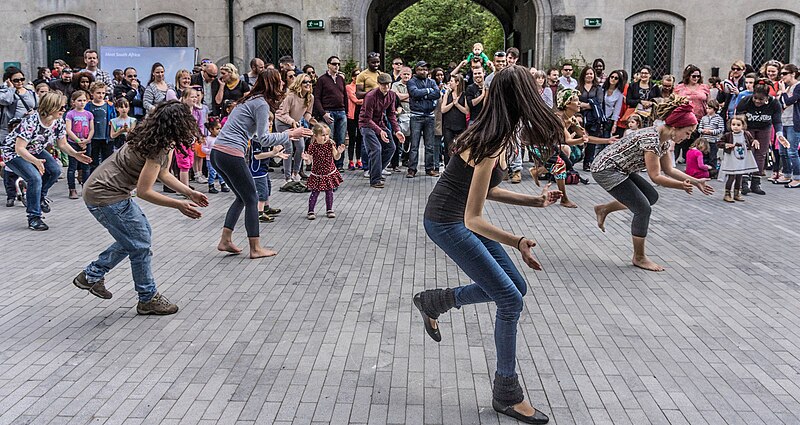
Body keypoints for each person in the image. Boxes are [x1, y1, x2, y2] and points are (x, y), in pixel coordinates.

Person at [413, 65, 563, 425]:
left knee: (517, 287)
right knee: (510, 298)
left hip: (459, 217)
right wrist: (518, 241)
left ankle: (438, 300)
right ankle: (506, 394)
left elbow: (488, 190)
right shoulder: (491, 141)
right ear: (521, 98)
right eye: (534, 89)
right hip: (447, 222)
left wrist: (535, 201)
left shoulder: (500, 132)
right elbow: (473, 219)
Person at [75, 100, 208, 315]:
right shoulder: (158, 146)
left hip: (104, 191)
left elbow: (163, 173)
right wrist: (179, 204)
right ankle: (147, 298)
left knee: (138, 238)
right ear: (179, 124)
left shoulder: (157, 138)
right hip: (106, 195)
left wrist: (188, 191)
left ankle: (92, 275)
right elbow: (145, 191)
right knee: (140, 243)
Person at [591, 97, 714, 272]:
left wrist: (696, 181)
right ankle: (639, 257)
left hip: (621, 168)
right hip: (606, 169)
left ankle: (604, 209)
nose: (687, 137)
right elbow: (656, 176)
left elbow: (669, 170)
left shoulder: (663, 140)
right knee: (643, 209)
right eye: (687, 132)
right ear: (675, 127)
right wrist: (682, 186)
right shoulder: (652, 140)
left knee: (651, 197)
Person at [211, 69, 311, 258]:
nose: (282, 84)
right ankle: (255, 248)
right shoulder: (261, 104)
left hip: (219, 153)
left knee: (242, 197)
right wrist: (290, 134)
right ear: (272, 85)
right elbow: (263, 138)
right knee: (252, 198)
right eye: (279, 82)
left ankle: (225, 240)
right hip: (231, 154)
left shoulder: (250, 99)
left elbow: (257, 136)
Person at [1, 92, 92, 230]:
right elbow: (19, 148)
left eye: (64, 107)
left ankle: (40, 197)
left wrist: (75, 154)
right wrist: (36, 162)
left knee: (55, 171)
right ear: (51, 107)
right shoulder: (31, 122)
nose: (63, 110)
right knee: (34, 178)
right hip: (13, 152)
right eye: (60, 107)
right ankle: (34, 218)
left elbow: (62, 144)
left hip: (35, 149)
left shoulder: (58, 122)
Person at [735, 80, 785, 195]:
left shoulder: (774, 103)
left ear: (767, 97)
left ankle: (755, 183)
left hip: (764, 128)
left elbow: (777, 121)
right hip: (748, 128)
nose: (757, 101)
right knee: (748, 153)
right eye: (755, 98)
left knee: (761, 154)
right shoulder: (746, 101)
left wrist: (779, 133)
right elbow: (738, 119)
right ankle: (744, 182)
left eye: (761, 99)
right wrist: (742, 133)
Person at [359, 73, 405, 189]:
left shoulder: (392, 95)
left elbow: (391, 114)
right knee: (376, 149)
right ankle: (375, 179)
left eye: (388, 84)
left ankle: (375, 171)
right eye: (383, 85)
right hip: (366, 125)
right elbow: (367, 118)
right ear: (378, 84)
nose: (386, 87)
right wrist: (380, 131)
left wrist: (397, 130)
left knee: (391, 147)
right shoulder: (370, 96)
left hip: (380, 124)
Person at [276, 73, 315, 183]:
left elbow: (307, 113)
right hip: (283, 122)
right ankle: (288, 177)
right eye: (305, 82)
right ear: (299, 83)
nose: (308, 84)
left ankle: (295, 173)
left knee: (301, 146)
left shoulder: (310, 97)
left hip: (296, 123)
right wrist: (292, 121)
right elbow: (283, 114)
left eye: (309, 82)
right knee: (289, 148)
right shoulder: (291, 96)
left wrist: (312, 121)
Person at [302, 123, 345, 219]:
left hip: (329, 172)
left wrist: (339, 153)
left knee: (329, 192)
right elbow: (309, 162)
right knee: (315, 192)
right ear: (315, 136)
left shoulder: (330, 144)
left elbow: (336, 157)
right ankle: (311, 211)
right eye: (322, 135)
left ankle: (329, 209)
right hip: (317, 173)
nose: (325, 137)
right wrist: (306, 159)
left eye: (327, 134)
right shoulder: (313, 146)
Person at [407, 60, 441, 177]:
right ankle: (412, 169)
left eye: (425, 69)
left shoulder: (431, 81)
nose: (423, 71)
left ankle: (429, 169)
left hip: (429, 116)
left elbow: (437, 94)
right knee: (414, 145)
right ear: (416, 70)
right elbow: (414, 93)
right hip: (416, 116)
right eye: (421, 69)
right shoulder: (412, 81)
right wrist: (428, 92)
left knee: (430, 145)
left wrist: (423, 95)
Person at [250, 120, 289, 223]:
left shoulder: (266, 137)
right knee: (262, 191)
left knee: (267, 188)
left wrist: (276, 154)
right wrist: (273, 153)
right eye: (267, 121)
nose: (270, 123)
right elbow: (257, 156)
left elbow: (269, 152)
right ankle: (259, 213)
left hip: (264, 169)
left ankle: (266, 208)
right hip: (257, 170)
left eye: (271, 121)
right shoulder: (256, 139)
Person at [313, 56, 348, 169]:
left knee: (341, 139)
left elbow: (345, 96)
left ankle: (339, 165)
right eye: (334, 64)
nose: (336, 66)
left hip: (341, 111)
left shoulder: (341, 79)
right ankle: (329, 164)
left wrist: (346, 112)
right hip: (329, 112)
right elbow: (317, 98)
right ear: (328, 65)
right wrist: (323, 113)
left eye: (338, 64)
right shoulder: (322, 79)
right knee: (328, 138)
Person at [718, 116, 759, 202]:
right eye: (733, 124)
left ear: (743, 126)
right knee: (731, 176)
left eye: (738, 125)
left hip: (742, 158)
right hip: (731, 158)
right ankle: (727, 193)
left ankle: (737, 193)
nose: (735, 127)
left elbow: (751, 140)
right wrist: (726, 145)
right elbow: (719, 143)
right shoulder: (728, 135)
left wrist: (754, 141)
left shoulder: (746, 134)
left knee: (739, 176)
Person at [64, 90, 94, 198]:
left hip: (87, 143)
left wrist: (87, 140)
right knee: (72, 167)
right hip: (73, 143)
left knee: (86, 166)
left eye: (84, 100)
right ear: (73, 102)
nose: (82, 103)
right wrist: (78, 141)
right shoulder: (70, 114)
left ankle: (85, 188)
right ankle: (72, 189)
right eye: (79, 100)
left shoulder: (89, 114)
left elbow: (91, 129)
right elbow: (68, 130)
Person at [778, 63, 800, 188]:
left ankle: (797, 177)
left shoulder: (798, 87)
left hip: (793, 122)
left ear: (793, 74)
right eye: (781, 74)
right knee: (783, 151)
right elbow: (781, 104)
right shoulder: (787, 89)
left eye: (785, 74)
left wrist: (783, 93)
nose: (782, 76)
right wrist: (783, 94)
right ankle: (787, 174)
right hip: (783, 121)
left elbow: (788, 101)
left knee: (792, 151)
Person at [87, 82, 116, 171]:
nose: (101, 95)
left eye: (103, 93)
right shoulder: (88, 105)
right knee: (93, 161)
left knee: (107, 160)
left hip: (106, 136)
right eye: (98, 93)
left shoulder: (109, 105)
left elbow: (113, 119)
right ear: (92, 93)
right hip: (93, 137)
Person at [441, 73, 468, 166]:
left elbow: (466, 111)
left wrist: (457, 104)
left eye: (451, 81)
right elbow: (443, 109)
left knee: (461, 147)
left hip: (461, 124)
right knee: (448, 147)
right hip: (448, 125)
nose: (449, 83)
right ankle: (447, 166)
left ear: (457, 82)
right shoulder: (447, 94)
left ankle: (459, 166)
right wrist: (452, 103)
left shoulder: (464, 95)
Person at [697, 99, 724, 170]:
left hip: (713, 141)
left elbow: (721, 129)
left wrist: (712, 131)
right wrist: (703, 131)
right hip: (704, 141)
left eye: (709, 108)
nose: (707, 110)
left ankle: (712, 171)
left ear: (715, 108)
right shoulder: (704, 118)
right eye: (707, 108)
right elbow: (699, 128)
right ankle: (703, 169)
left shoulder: (719, 118)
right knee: (703, 156)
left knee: (712, 156)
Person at [201, 120, 227, 193]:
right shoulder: (207, 139)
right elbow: (203, 148)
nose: (219, 130)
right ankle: (211, 185)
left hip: (219, 159)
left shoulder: (220, 138)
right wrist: (210, 151)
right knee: (212, 172)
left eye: (220, 128)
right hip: (210, 159)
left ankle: (223, 184)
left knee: (221, 172)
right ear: (211, 129)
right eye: (217, 129)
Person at [346, 68, 364, 170]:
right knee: (352, 138)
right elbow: (355, 100)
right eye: (356, 75)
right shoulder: (349, 87)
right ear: (353, 77)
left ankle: (359, 160)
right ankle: (350, 161)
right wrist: (366, 99)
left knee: (360, 138)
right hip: (352, 115)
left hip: (361, 115)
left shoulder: (362, 87)